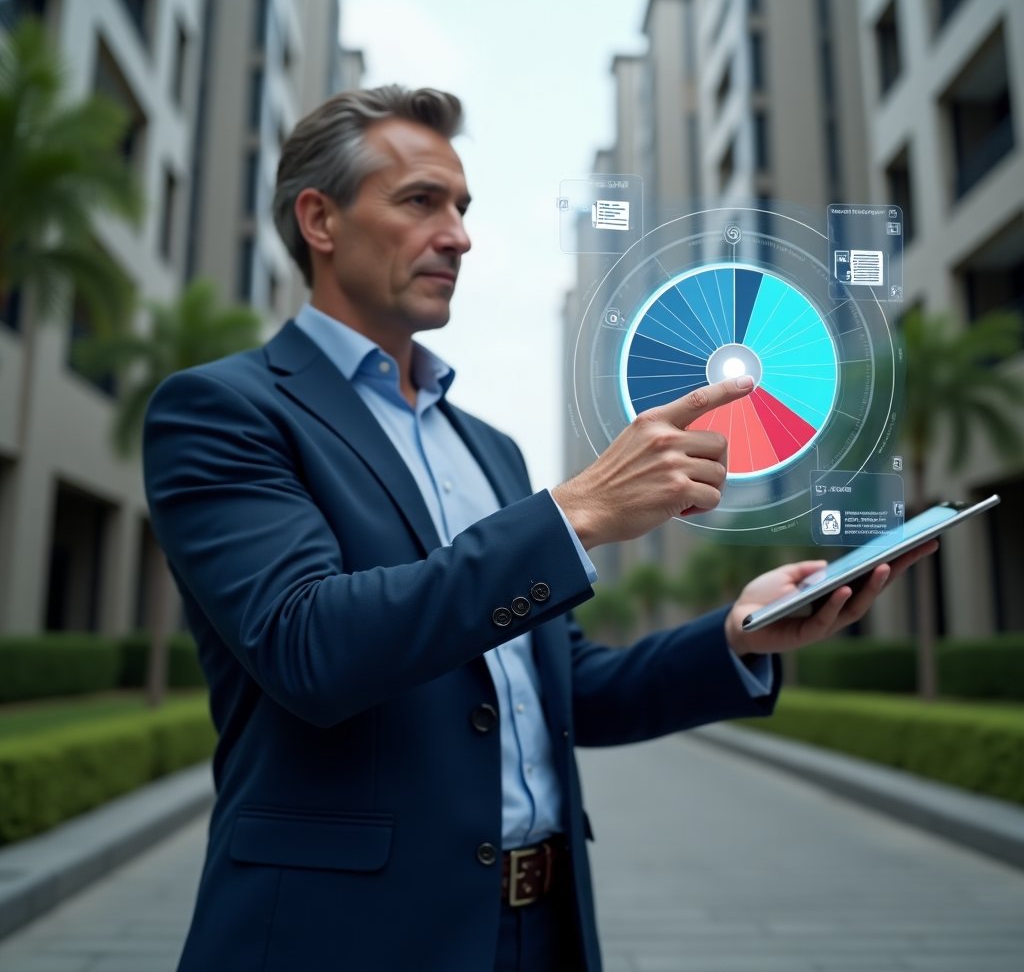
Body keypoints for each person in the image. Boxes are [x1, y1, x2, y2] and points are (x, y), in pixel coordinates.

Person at [143, 86, 934, 972]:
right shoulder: (223, 411)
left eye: (462, 207)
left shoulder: (490, 449)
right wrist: (576, 513)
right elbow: (308, 646)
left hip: (544, 928)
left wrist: (737, 636)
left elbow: (563, 687)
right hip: (344, 938)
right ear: (319, 220)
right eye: (420, 201)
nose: (459, 236)